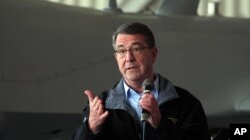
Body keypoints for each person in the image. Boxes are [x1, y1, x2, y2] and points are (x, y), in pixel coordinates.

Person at [71, 22, 210, 140]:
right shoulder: (101, 105)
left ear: (153, 54)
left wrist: (160, 125)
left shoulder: (185, 103)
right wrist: (90, 128)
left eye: (136, 49)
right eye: (121, 51)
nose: (128, 58)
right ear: (116, 58)